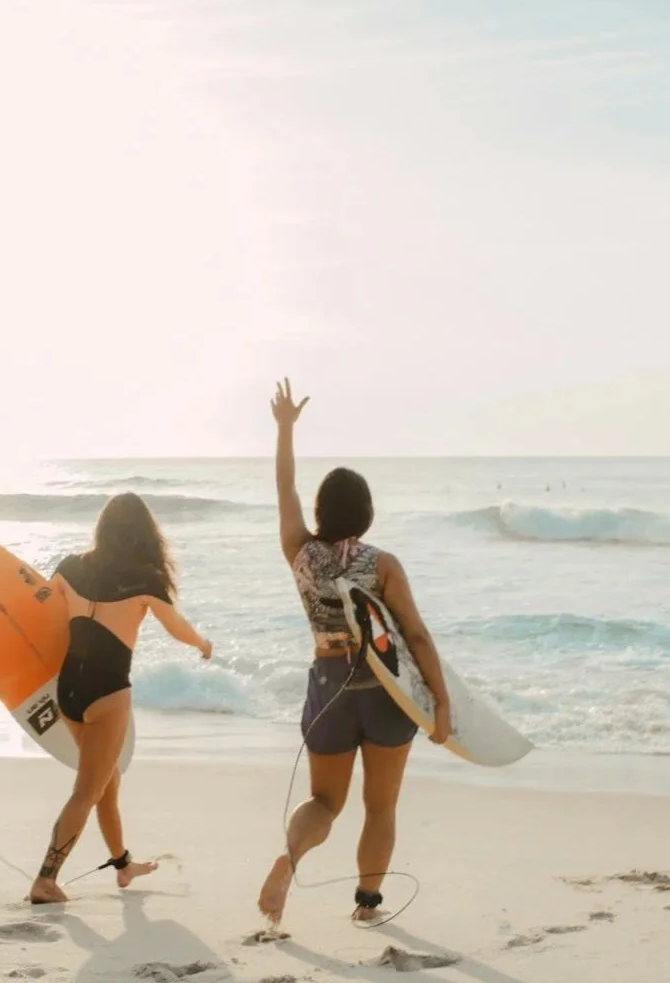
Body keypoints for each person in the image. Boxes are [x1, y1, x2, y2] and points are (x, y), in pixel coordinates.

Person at [257, 379, 451, 928]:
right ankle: (367, 906)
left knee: (325, 802)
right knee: (380, 805)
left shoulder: (300, 552)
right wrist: (441, 702)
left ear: (321, 512)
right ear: (367, 513)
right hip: (384, 692)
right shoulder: (382, 563)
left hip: (328, 686)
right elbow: (414, 635)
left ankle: (290, 860)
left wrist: (285, 429)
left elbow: (284, 490)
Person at [28, 493, 212, 905]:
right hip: (107, 693)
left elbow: (38, 609)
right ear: (145, 532)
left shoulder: (70, 566)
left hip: (68, 691)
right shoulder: (144, 578)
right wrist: (204, 644)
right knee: (87, 790)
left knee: (107, 781)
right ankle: (45, 878)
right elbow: (176, 626)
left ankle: (122, 865)